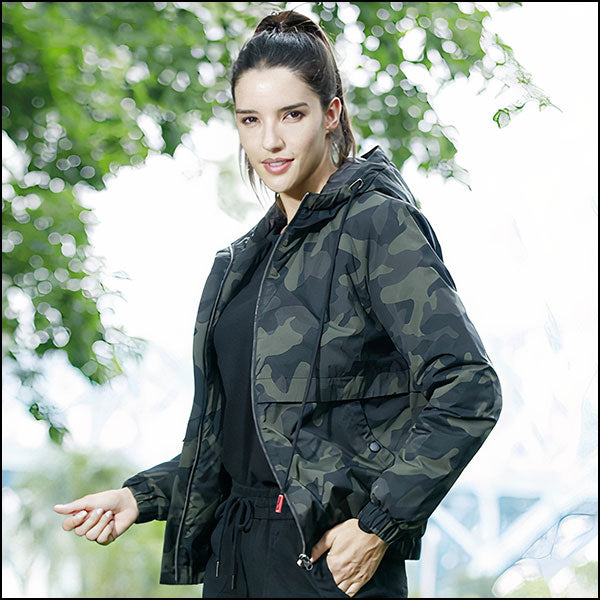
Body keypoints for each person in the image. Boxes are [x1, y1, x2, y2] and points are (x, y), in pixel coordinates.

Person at [53, 9, 503, 598]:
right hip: (233, 559)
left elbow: (469, 387)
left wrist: (380, 524)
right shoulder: (244, 261)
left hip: (324, 567)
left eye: (292, 114)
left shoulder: (376, 225)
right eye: (250, 119)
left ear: (331, 113)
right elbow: (246, 441)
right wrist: (140, 496)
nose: (270, 140)